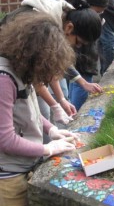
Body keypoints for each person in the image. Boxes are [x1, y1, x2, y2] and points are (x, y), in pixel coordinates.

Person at [0, 12, 79, 206]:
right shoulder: (4, 79)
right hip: (8, 176)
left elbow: (29, 111)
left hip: (22, 166)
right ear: (37, 56)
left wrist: (51, 130)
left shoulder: (21, 70)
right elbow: (5, 140)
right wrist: (47, 148)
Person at [59, 0, 109, 110]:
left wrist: (83, 83)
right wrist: (57, 102)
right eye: (78, 42)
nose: (78, 47)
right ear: (69, 28)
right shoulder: (52, 29)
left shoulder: (67, 22)